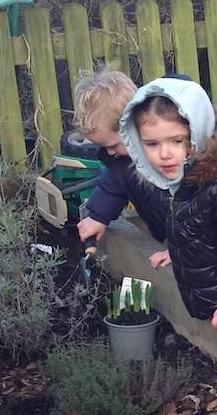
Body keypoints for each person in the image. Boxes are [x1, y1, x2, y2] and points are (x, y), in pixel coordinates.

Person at [120, 77, 217, 331]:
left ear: (197, 132)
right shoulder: (180, 177)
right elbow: (197, 227)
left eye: (177, 141)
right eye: (152, 144)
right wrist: (180, 252)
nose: (165, 153)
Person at [71, 68, 171, 268]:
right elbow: (115, 181)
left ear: (131, 126)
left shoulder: (168, 156)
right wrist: (99, 216)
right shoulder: (125, 157)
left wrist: (182, 249)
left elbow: (190, 208)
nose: (110, 153)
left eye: (113, 145)